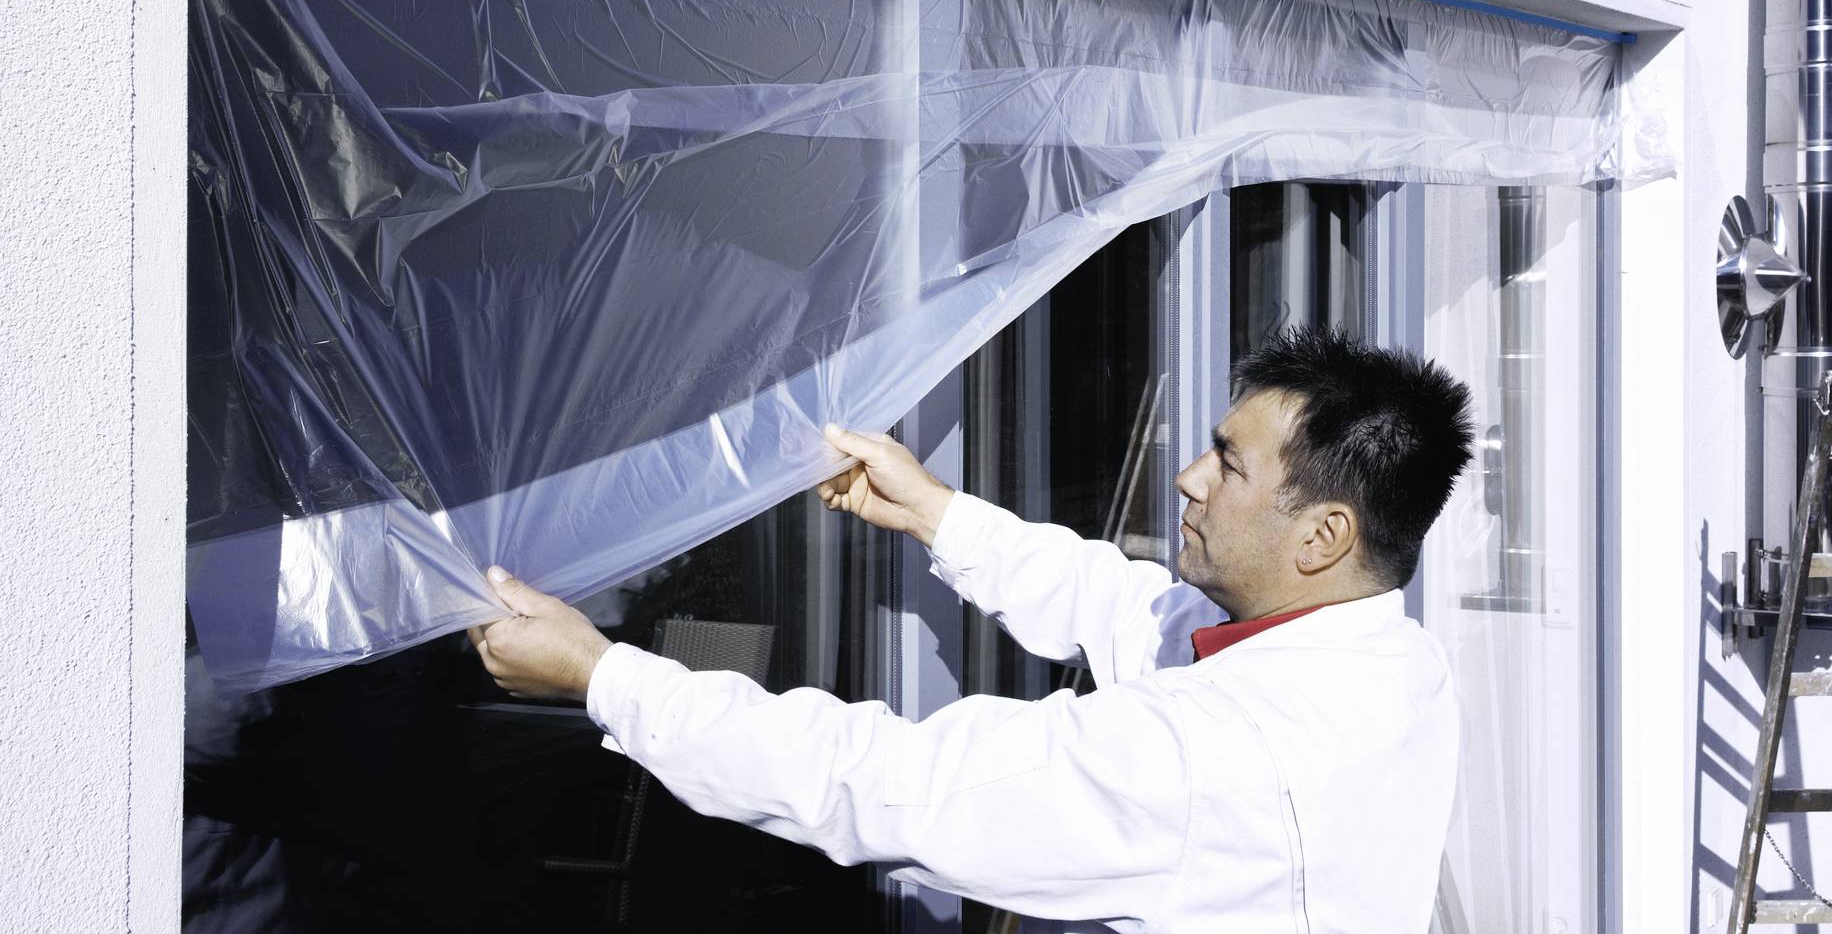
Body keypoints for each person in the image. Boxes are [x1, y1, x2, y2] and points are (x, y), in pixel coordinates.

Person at [470, 325, 1475, 932]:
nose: (1187, 478)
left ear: (1321, 534)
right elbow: (1122, 604)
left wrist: (599, 675)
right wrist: (935, 513)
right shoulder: (1392, 658)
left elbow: (882, 781)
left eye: (1227, 463)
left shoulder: (1213, 760)